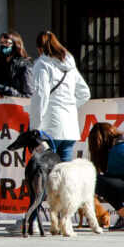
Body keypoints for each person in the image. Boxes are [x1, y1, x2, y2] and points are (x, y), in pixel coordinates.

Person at [27, 30, 91, 162]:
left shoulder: (42, 65)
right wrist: (70, 105)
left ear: (39, 49)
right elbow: (85, 93)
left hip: (49, 127)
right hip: (70, 127)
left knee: (48, 175)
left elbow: (40, 96)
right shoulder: (69, 65)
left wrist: (34, 128)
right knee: (64, 175)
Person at [0, 31, 31, 98]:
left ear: (15, 44)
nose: (3, 46)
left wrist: (8, 91)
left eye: (6, 43)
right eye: (1, 43)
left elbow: (28, 95)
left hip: (16, 107)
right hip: (0, 107)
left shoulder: (23, 65)